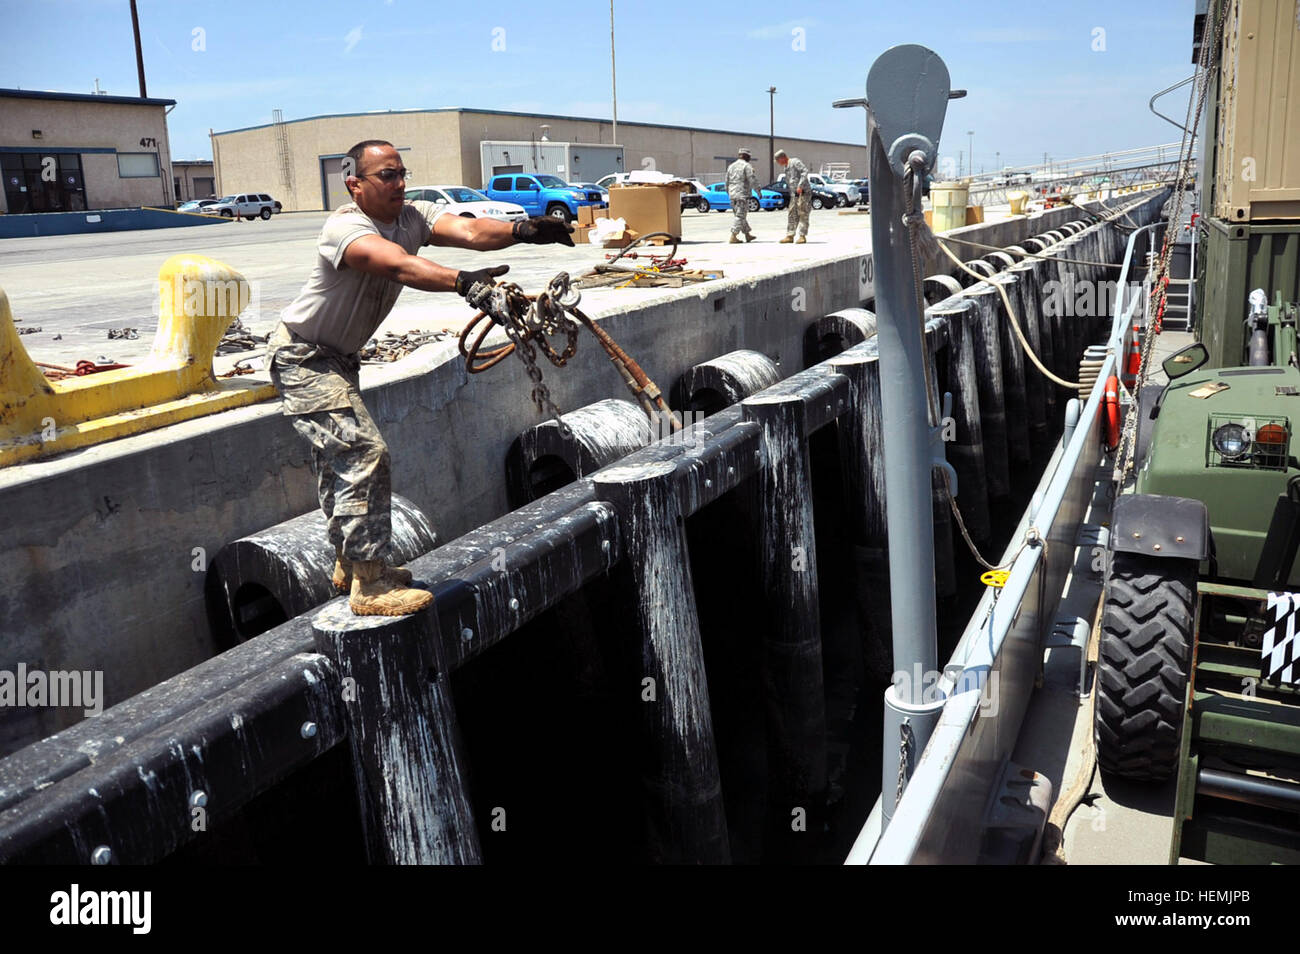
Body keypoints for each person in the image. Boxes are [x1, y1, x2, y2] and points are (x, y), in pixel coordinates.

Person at [267, 139, 574, 616]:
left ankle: (351, 563)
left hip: (340, 359)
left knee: (337, 458)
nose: (400, 183)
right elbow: (396, 264)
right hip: (304, 357)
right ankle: (370, 586)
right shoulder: (345, 226)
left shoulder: (413, 216)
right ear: (355, 184)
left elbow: (471, 232)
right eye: (386, 175)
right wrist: (464, 283)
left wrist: (524, 228)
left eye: (401, 172)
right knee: (362, 451)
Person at [774, 149, 810, 244]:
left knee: (802, 213)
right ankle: (790, 235)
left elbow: (804, 172)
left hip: (803, 193)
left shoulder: (795, 162)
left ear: (782, 158)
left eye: (778, 161)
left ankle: (802, 236)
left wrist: (800, 186)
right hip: (794, 194)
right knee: (791, 214)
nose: (778, 163)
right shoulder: (786, 167)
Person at [725, 147, 759, 243]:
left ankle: (747, 235)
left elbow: (726, 181)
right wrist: (758, 191)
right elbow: (752, 179)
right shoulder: (746, 166)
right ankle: (733, 236)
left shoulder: (731, 166)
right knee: (740, 216)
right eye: (749, 157)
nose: (750, 158)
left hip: (732, 195)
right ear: (746, 156)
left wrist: (729, 193)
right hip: (742, 195)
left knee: (740, 215)